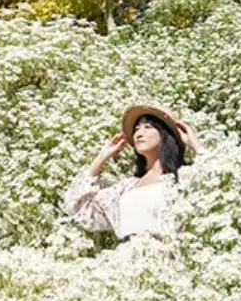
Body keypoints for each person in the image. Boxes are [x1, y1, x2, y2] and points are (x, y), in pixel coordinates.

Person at [62, 102, 200, 242]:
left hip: (169, 258)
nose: (139, 134)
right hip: (128, 260)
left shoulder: (185, 178)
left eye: (148, 127)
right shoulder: (126, 188)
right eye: (136, 129)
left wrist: (197, 148)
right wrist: (101, 158)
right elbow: (78, 209)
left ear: (165, 134)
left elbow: (219, 183)